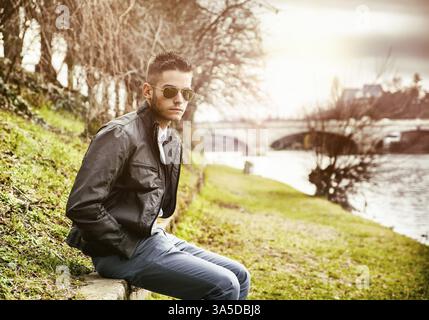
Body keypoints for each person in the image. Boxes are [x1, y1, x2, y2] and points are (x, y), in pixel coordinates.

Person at [65, 51, 251, 300]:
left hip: (152, 237)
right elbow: (82, 205)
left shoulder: (172, 140)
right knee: (224, 285)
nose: (179, 100)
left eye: (186, 93)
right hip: (118, 251)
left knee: (240, 275)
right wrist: (124, 243)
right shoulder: (120, 134)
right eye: (169, 91)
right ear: (147, 91)